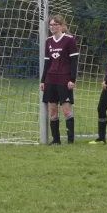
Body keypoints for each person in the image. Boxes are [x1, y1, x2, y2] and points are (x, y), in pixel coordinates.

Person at [40, 15, 79, 145]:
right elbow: (47, 62)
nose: (52, 27)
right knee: (52, 110)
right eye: (50, 25)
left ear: (61, 26)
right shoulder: (48, 41)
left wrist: (72, 79)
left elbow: (74, 61)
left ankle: (70, 141)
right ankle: (56, 140)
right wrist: (43, 80)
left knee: (66, 110)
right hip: (51, 79)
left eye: (55, 24)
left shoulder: (69, 40)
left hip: (64, 78)